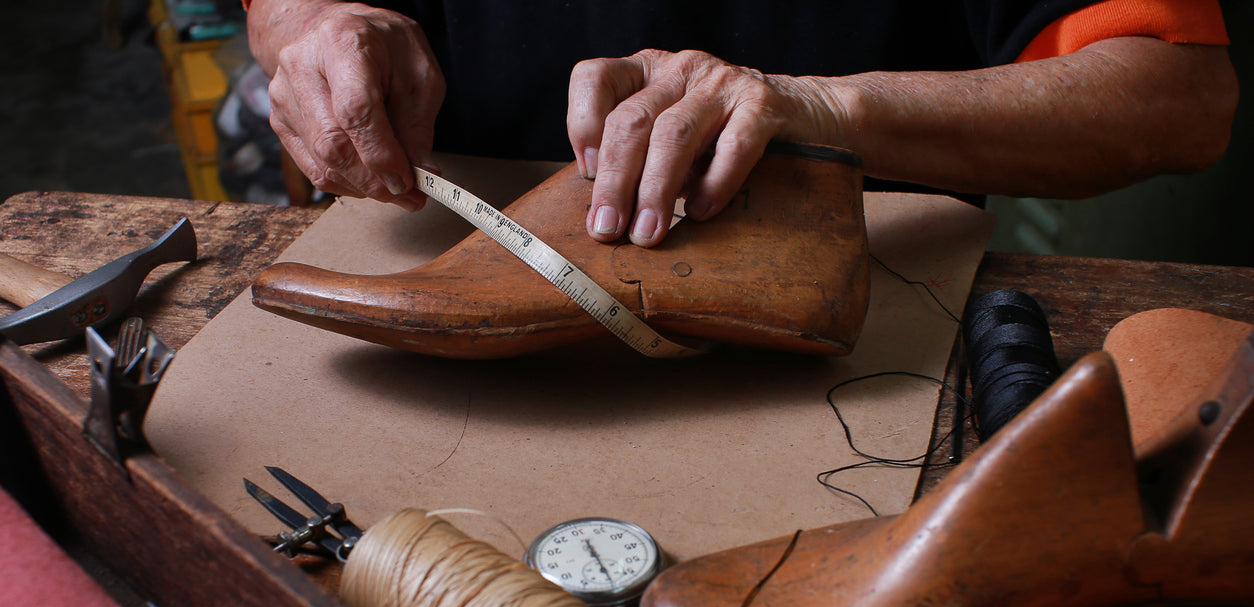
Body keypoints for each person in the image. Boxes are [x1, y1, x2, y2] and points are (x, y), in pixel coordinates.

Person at [242, 1, 1237, 248]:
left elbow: (1174, 94)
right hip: (448, 281)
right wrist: (314, 26)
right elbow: (286, 8)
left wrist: (818, 107)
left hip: (854, 339)